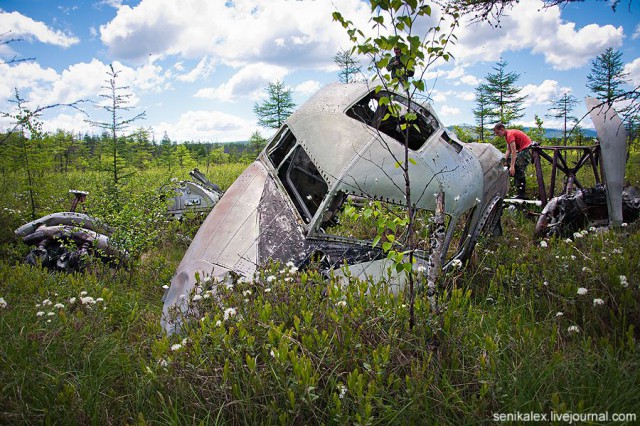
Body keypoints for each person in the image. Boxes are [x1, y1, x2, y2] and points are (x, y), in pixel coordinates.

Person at [493, 123, 532, 199]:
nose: (497, 135)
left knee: (519, 168)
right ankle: (516, 190)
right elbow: (508, 150)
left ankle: (521, 193)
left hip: (526, 149)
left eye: (498, 133)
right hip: (522, 150)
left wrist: (512, 166)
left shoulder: (510, 135)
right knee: (510, 163)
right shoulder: (507, 136)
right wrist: (504, 161)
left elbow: (514, 152)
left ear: (502, 129)